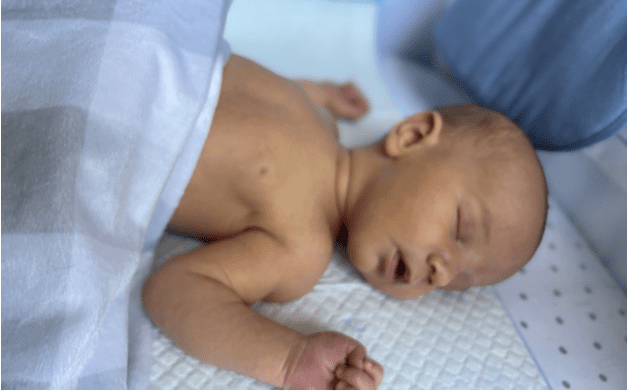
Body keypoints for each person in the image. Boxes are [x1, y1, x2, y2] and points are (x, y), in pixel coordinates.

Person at [142, 53, 548, 390]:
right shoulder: (303, 239)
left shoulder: (298, 223)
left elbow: (177, 290)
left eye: (459, 283)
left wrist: (292, 358)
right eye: (461, 231)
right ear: (411, 136)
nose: (442, 274)